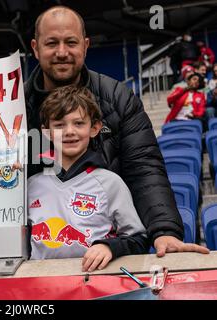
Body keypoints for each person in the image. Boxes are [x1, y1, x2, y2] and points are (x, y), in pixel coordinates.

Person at [25, 5, 209, 257]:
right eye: (51, 43)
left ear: (85, 45)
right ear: (35, 48)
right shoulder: (16, 106)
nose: (62, 52)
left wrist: (163, 230)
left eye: (71, 42)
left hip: (110, 253)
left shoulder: (118, 97)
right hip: (41, 261)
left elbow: (144, 167)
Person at [29, 86, 149, 271]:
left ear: (94, 128)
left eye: (78, 123)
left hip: (93, 285)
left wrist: (110, 247)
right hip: (42, 286)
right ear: (47, 132)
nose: (69, 131)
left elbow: (138, 240)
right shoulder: (31, 185)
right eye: (59, 125)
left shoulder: (110, 183)